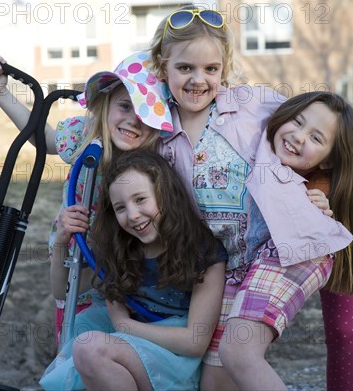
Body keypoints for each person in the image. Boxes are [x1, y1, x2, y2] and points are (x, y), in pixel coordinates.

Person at [149, 5, 353, 390]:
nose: (198, 80)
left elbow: (314, 145)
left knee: (239, 352)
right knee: (215, 385)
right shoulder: (156, 129)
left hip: (288, 246)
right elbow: (76, 138)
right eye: (185, 68)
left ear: (223, 69)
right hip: (232, 265)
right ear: (163, 66)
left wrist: (320, 194)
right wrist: (3, 95)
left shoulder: (250, 104)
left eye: (210, 69)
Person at [0, 51, 174, 343]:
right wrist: (1, 92)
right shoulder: (85, 136)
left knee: (118, 335)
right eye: (125, 106)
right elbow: (43, 138)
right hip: (74, 249)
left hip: (125, 260)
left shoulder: (154, 159)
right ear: (105, 104)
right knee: (74, 324)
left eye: (145, 115)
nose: (132, 121)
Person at [39, 150, 227, 391]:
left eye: (140, 199)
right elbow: (62, 291)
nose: (133, 215)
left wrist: (125, 325)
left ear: (165, 194)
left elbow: (195, 342)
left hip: (175, 360)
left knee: (90, 348)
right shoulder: (121, 248)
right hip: (129, 348)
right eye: (120, 207)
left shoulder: (202, 251)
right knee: (84, 339)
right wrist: (61, 243)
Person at [266, 91, 353, 391]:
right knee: (345, 332)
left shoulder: (326, 188)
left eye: (316, 137)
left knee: (347, 332)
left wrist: (321, 211)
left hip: (346, 230)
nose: (299, 137)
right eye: (297, 121)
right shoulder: (255, 145)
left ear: (330, 161)